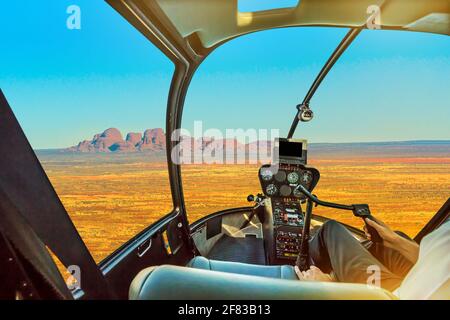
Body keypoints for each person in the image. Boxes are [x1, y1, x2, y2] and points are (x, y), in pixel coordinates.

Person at [294, 217, 450, 299]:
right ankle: (342, 269)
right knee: (389, 245)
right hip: (416, 282)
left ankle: (308, 268)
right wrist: (395, 240)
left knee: (331, 230)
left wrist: (329, 290)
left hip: (386, 295)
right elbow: (436, 259)